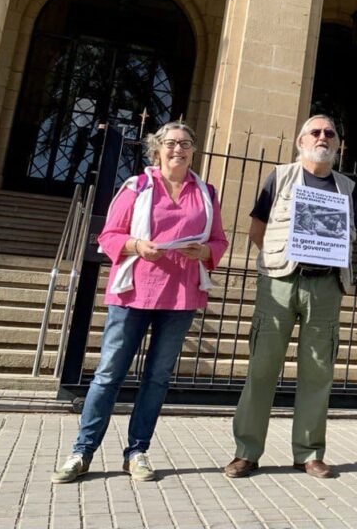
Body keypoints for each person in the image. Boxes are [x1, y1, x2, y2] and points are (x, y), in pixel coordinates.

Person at [51, 122, 228, 484]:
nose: (179, 149)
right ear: (156, 149)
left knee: (157, 377)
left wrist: (204, 251)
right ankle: (82, 451)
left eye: (186, 144)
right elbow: (109, 235)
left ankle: (137, 451)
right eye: (171, 143)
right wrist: (136, 246)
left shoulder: (206, 192)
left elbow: (219, 241)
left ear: (194, 150)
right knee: (108, 374)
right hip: (134, 292)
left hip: (180, 295)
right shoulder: (137, 186)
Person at [224, 114, 356, 479]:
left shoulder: (346, 187)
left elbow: (349, 236)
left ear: (337, 144)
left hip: (326, 286)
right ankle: (246, 451)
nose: (322, 137)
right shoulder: (280, 177)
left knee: (318, 372)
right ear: (301, 141)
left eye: (330, 133)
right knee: (262, 368)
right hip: (280, 282)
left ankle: (309, 453)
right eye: (315, 132)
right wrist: (280, 258)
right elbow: (257, 230)